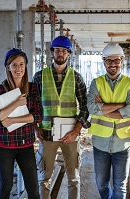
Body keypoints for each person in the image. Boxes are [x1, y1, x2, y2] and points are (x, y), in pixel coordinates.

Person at [32, 35, 90, 199]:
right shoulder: (39, 76)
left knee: (73, 178)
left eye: (64, 51)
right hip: (47, 134)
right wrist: (36, 128)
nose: (60, 54)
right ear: (52, 53)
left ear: (69, 54)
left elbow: (85, 107)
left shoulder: (76, 77)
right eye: (57, 50)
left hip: (70, 134)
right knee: (44, 178)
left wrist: (76, 131)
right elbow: (32, 106)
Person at [87, 43, 130, 199]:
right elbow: (91, 108)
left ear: (122, 60)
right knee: (101, 182)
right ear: (103, 62)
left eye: (116, 60)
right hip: (101, 142)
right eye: (108, 61)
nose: (112, 64)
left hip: (123, 143)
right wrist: (121, 106)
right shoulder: (96, 83)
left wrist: (102, 107)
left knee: (120, 185)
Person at [0, 48, 42, 199]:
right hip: (4, 146)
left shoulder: (32, 88)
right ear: (8, 67)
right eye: (14, 65)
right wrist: (17, 103)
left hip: (26, 146)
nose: (18, 68)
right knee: (6, 187)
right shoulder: (2, 89)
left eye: (21, 64)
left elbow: (38, 116)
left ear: (26, 66)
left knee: (33, 189)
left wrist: (11, 119)